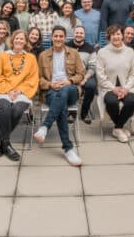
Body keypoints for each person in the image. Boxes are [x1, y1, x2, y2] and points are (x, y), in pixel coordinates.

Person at [34, 26, 84, 166]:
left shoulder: (73, 53)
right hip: (51, 91)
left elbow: (81, 74)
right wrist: (50, 84)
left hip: (71, 90)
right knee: (60, 105)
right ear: (51, 37)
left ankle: (45, 126)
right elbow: (38, 79)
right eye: (55, 36)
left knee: (64, 90)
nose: (58, 39)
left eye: (61, 36)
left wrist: (68, 81)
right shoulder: (43, 55)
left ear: (65, 38)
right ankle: (68, 149)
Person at [0, 31, 38, 161]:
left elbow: (33, 79)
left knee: (17, 110)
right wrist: (8, 91)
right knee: (5, 108)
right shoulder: (3, 56)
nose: (19, 40)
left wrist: (19, 91)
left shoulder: (31, 58)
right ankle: (7, 144)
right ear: (12, 40)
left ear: (25, 41)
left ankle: (1, 143)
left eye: (21, 39)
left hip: (22, 93)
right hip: (3, 92)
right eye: (16, 38)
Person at [96, 25, 134, 142]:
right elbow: (100, 76)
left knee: (131, 101)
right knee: (111, 101)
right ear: (109, 37)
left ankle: (117, 127)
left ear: (122, 35)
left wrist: (125, 89)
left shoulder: (130, 52)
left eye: (118, 34)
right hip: (108, 88)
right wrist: (114, 89)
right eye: (113, 34)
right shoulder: (102, 52)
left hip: (128, 88)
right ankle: (120, 127)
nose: (116, 37)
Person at [69, 26, 97, 123]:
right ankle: (71, 112)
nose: (79, 35)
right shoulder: (66, 46)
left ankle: (84, 112)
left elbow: (93, 67)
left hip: (86, 75)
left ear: (84, 35)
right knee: (70, 86)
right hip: (70, 75)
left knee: (91, 86)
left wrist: (85, 79)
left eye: (81, 33)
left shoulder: (90, 49)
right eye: (77, 33)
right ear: (73, 34)